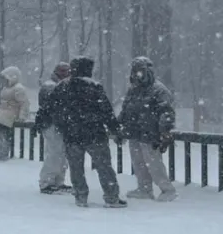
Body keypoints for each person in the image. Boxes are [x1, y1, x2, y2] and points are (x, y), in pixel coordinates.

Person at [36, 56, 126, 208]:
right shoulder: (94, 87)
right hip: (94, 134)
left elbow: (50, 108)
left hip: (72, 135)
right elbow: (106, 111)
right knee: (104, 167)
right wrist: (115, 130)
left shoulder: (62, 87)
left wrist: (59, 124)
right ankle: (111, 197)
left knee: (76, 168)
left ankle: (80, 196)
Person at [118, 56, 177, 202]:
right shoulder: (133, 90)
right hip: (134, 133)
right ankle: (144, 189)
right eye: (134, 70)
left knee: (154, 164)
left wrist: (164, 131)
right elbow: (125, 110)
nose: (137, 74)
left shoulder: (159, 90)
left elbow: (166, 112)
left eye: (140, 70)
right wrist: (119, 127)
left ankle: (168, 190)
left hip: (151, 134)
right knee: (139, 164)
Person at [36, 62, 71, 194]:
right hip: (52, 124)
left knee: (61, 154)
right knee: (55, 153)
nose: (65, 73)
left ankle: (58, 181)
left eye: (67, 71)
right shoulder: (50, 86)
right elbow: (51, 108)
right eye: (62, 71)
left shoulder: (61, 86)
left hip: (60, 125)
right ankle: (46, 182)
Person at [0, 66, 31, 160]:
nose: (3, 81)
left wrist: (22, 116)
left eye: (5, 78)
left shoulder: (18, 88)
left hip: (11, 113)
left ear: (11, 77)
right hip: (3, 112)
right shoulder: (5, 88)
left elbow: (24, 103)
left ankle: (1, 151)